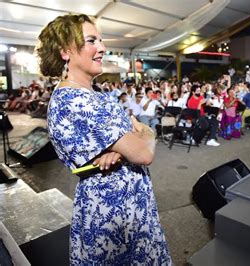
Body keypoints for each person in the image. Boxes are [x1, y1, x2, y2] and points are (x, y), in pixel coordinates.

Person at [36, 14, 171, 264]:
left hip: (132, 212)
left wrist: (123, 148)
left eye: (100, 40)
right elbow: (144, 153)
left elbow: (138, 140)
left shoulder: (95, 93)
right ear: (66, 51)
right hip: (112, 219)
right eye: (91, 41)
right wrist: (141, 136)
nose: (102, 48)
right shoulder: (73, 100)